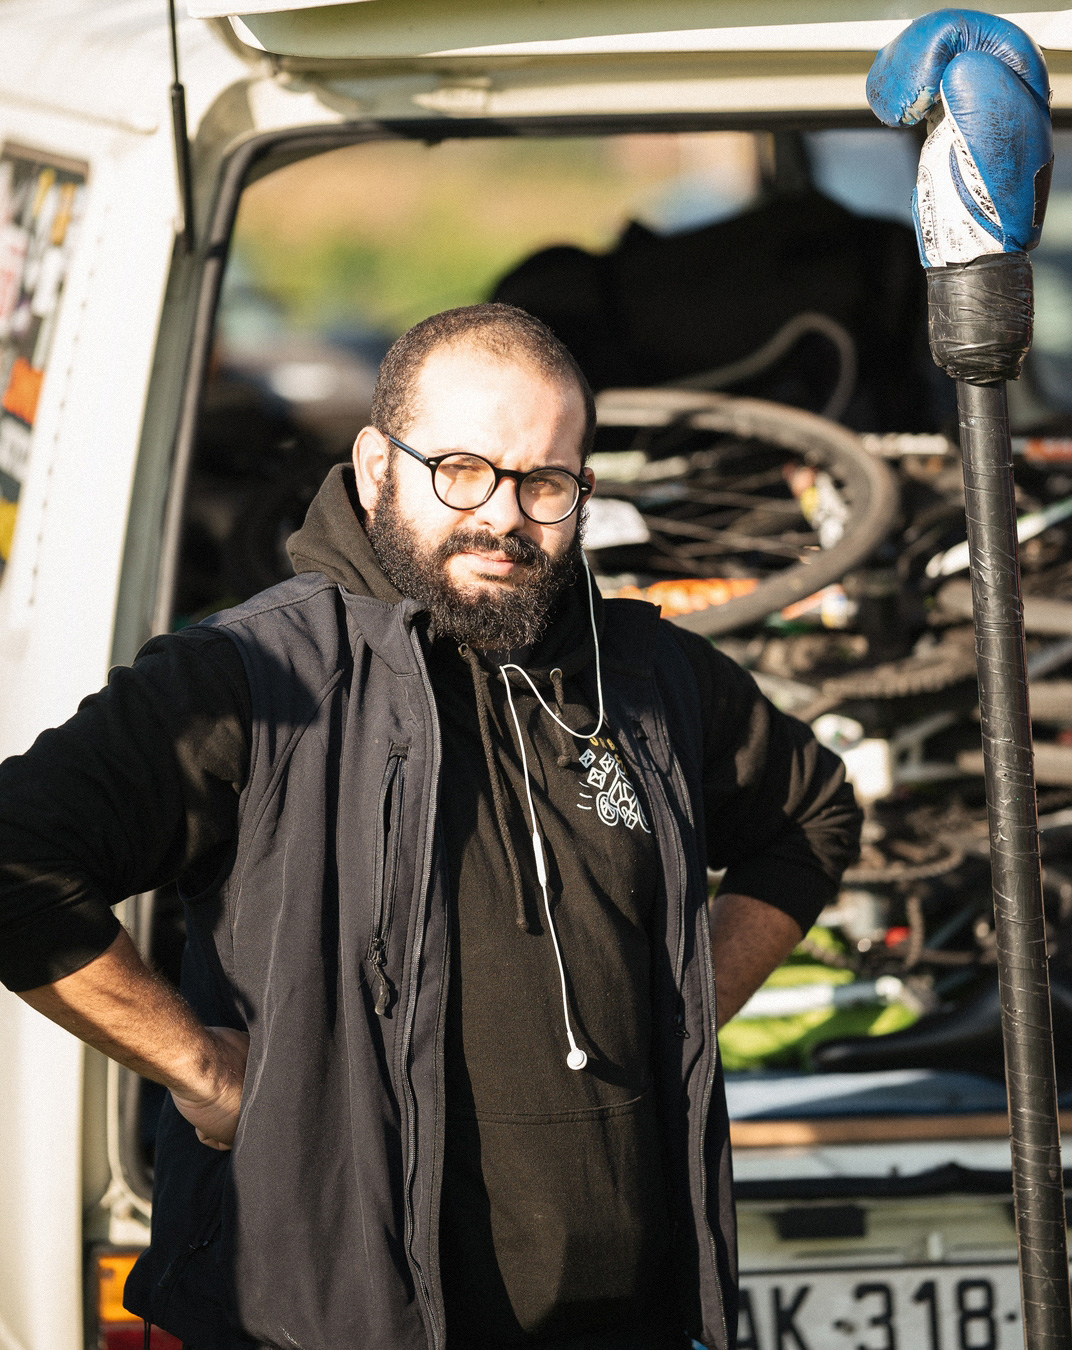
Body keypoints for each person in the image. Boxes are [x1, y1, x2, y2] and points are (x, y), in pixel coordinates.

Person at [0, 303, 860, 1350]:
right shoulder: (260, 675)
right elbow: (17, 858)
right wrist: (200, 1068)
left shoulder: (644, 675)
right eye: (461, 469)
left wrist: (683, 1008)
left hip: (627, 1324)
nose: (504, 516)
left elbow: (811, 814)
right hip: (335, 1325)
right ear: (377, 468)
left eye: (546, 483)